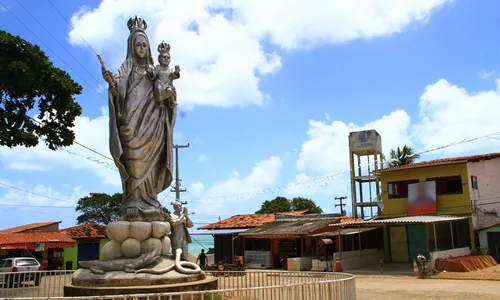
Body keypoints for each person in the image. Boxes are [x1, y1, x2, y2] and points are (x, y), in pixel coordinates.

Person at [101, 16, 176, 222]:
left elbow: (167, 91)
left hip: (153, 125)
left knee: (152, 162)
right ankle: (133, 202)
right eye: (138, 45)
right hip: (130, 124)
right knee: (133, 160)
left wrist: (170, 92)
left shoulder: (154, 69)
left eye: (144, 45)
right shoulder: (126, 68)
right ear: (132, 47)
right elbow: (117, 90)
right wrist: (111, 83)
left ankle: (150, 201)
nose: (141, 48)